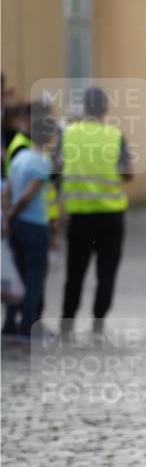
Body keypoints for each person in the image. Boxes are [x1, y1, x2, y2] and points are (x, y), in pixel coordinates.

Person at [60, 86, 133, 337]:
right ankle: (98, 324)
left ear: (84, 108)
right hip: (111, 217)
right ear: (104, 108)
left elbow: (57, 166)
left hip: (79, 215)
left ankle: (66, 325)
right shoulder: (115, 136)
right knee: (106, 274)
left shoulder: (67, 134)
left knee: (74, 273)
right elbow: (128, 173)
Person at [2, 106, 55, 340]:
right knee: (34, 278)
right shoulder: (42, 163)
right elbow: (26, 196)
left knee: (16, 273)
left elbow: (8, 191)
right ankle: (28, 326)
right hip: (34, 225)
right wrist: (14, 213)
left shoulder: (19, 157)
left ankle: (9, 324)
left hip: (16, 227)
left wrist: (7, 218)